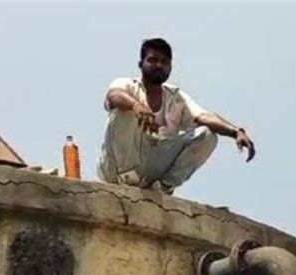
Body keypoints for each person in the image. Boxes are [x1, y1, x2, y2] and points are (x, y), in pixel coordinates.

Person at [97, 38, 255, 195]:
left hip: (149, 168)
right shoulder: (127, 85)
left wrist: (235, 131)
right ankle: (126, 177)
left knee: (208, 134)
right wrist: (136, 106)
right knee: (123, 111)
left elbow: (203, 116)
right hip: (116, 169)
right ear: (141, 64)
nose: (159, 65)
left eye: (165, 62)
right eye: (153, 60)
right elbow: (114, 95)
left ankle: (164, 186)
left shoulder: (176, 97)